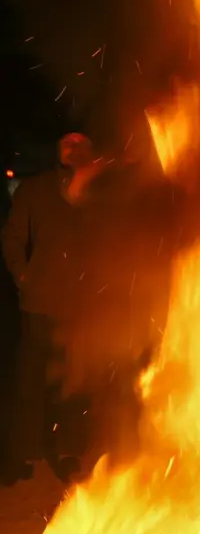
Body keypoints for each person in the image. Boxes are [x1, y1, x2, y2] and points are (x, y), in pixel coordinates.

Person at [1, 133, 107, 483]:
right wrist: (23, 275)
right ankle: (27, 452)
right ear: (57, 150)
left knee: (74, 380)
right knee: (31, 381)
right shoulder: (35, 189)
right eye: (67, 143)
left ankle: (68, 450)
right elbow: (13, 237)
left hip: (84, 305)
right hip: (41, 302)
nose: (74, 148)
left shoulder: (101, 190)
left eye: (81, 143)